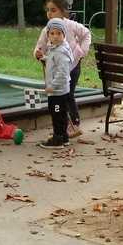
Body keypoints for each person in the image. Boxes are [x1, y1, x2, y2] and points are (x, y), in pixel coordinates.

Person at [33, 0, 92, 138]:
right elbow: (40, 46)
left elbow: (86, 34)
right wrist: (38, 53)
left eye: (53, 10)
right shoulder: (47, 29)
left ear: (63, 11)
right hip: (55, 70)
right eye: (48, 10)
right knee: (58, 97)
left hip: (72, 66)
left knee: (68, 95)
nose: (49, 13)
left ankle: (74, 124)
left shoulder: (71, 25)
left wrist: (81, 51)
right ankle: (62, 126)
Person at [39, 18, 74, 150]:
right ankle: (64, 137)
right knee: (60, 114)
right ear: (48, 35)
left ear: (64, 35)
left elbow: (62, 74)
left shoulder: (61, 52)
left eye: (59, 33)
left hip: (58, 92)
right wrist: (45, 58)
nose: (55, 36)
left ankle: (58, 139)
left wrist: (51, 87)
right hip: (58, 91)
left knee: (57, 114)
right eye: (52, 33)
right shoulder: (56, 49)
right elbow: (54, 62)